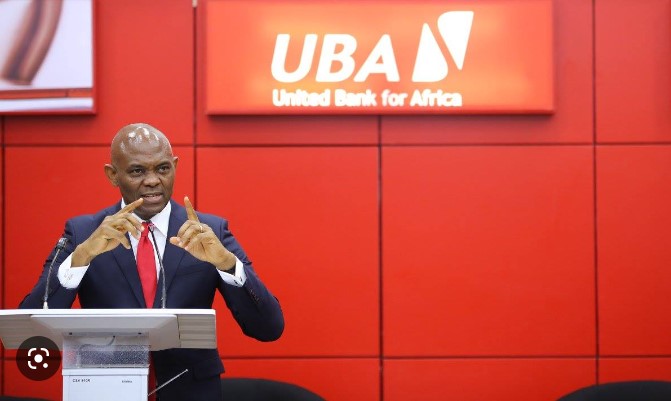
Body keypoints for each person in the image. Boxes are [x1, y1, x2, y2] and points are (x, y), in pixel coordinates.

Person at [19, 123, 284, 401]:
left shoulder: (209, 232)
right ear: (112, 175)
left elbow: (269, 328)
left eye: (163, 168)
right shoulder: (84, 233)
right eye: (137, 171)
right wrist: (81, 258)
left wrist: (228, 264)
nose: (153, 180)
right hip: (106, 391)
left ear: (175, 166)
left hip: (188, 392)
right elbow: (30, 331)